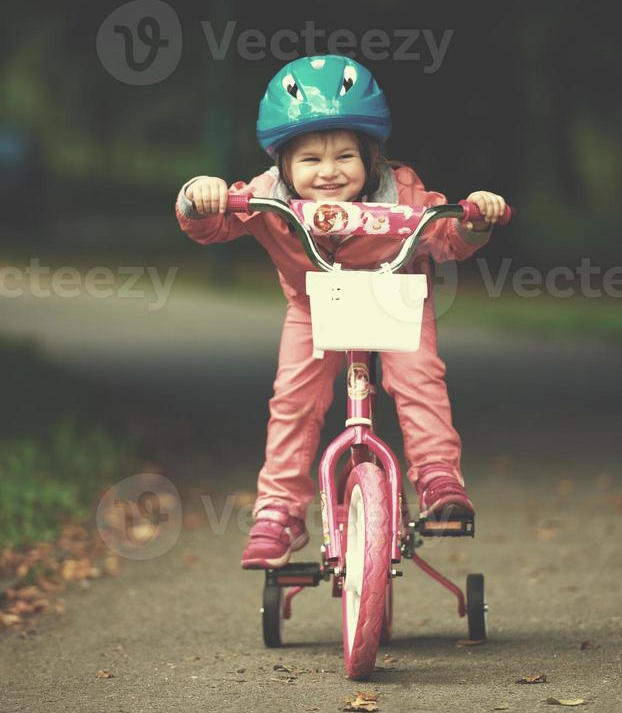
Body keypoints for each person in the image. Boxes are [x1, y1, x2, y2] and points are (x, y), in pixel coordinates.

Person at [175, 55, 506, 569]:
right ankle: (279, 512)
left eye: (345, 155)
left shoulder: (404, 192)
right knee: (294, 400)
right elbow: (211, 226)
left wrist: (474, 220)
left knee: (419, 379)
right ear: (282, 163)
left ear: (372, 155)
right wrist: (199, 199)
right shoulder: (264, 198)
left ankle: (438, 478)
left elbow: (445, 236)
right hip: (313, 308)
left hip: (393, 296)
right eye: (310, 160)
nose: (329, 172)